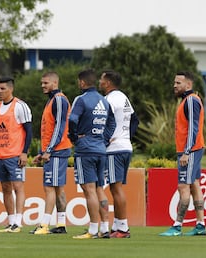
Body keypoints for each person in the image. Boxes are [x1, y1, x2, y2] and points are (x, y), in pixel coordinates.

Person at [68, 69, 116, 239]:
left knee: (89, 190)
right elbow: (112, 122)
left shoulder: (81, 100)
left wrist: (74, 138)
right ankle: (104, 228)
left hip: (85, 149)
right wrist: (104, 139)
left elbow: (72, 120)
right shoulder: (104, 101)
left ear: (82, 82)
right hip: (100, 150)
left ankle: (93, 229)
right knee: (99, 189)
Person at [159, 71, 206, 237]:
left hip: (190, 151)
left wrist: (187, 152)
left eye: (178, 83)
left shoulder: (191, 100)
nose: (175, 85)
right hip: (192, 149)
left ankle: (177, 226)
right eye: (174, 82)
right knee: (194, 185)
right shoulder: (188, 100)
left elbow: (193, 129)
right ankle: (200, 225)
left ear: (188, 85)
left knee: (183, 186)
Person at [0, 76, 32, 233]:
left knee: (18, 187)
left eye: (2, 88)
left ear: (11, 89)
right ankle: (11, 221)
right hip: (0, 155)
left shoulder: (20, 106)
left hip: (15, 155)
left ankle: (18, 222)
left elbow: (29, 131)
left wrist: (24, 152)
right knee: (5, 188)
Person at [29, 72, 72, 235]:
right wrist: (42, 152)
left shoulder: (59, 100)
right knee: (58, 188)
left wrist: (49, 150)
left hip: (57, 151)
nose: (43, 86)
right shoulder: (52, 101)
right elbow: (48, 129)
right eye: (42, 83)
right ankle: (61, 224)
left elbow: (60, 128)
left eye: (46, 83)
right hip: (55, 151)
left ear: (55, 82)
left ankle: (44, 225)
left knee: (49, 188)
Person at [98, 70, 139, 238]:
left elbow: (105, 121)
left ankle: (123, 228)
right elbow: (135, 120)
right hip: (125, 146)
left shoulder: (109, 99)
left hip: (115, 149)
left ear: (108, 83)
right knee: (117, 187)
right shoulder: (124, 97)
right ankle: (117, 226)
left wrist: (108, 139)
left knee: (115, 188)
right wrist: (125, 137)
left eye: (101, 79)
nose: (99, 82)